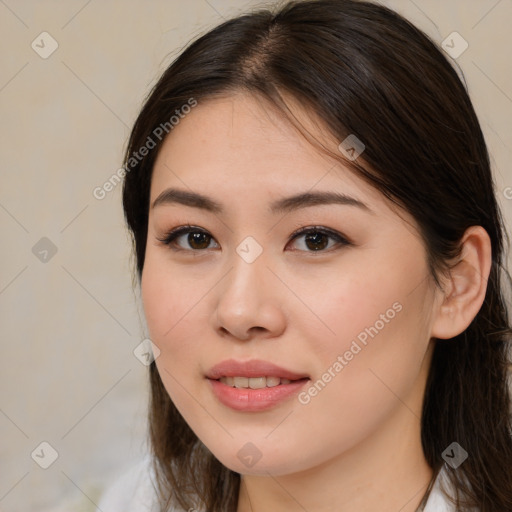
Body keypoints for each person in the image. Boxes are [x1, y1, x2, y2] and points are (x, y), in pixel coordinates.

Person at [98, 0, 512, 510]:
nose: (239, 311)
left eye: (316, 238)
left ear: (457, 282)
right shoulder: (128, 500)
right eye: (194, 237)